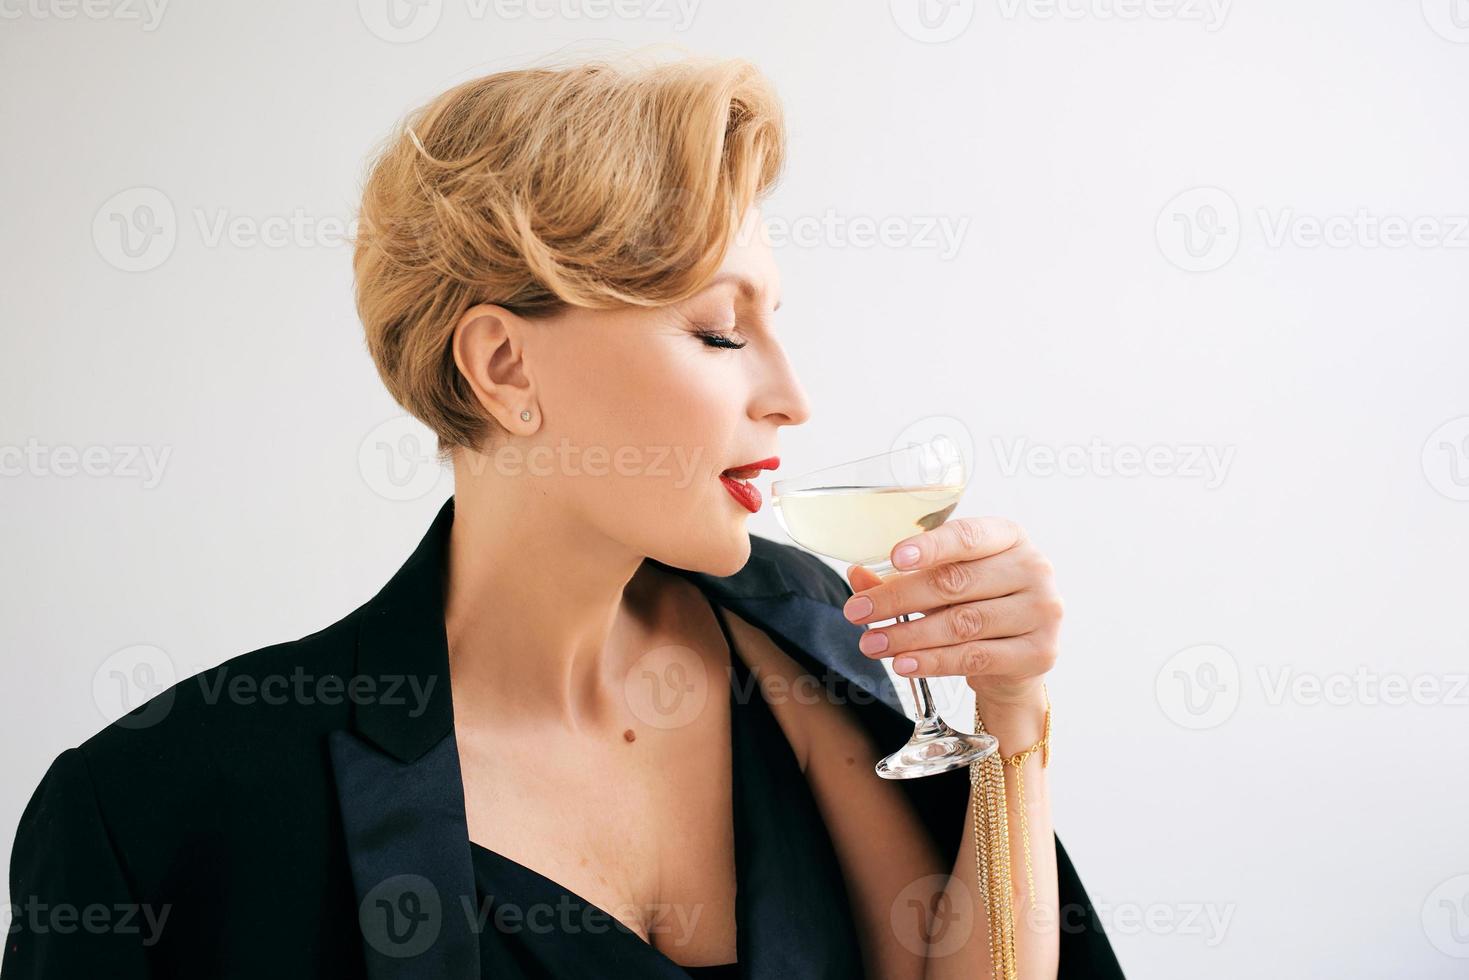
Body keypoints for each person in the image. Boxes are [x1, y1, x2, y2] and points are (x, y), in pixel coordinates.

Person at [3, 54, 1124, 979]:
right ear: (501, 364)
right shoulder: (159, 809)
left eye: (773, 322)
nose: (792, 395)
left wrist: (1009, 715)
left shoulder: (809, 625)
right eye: (719, 333)